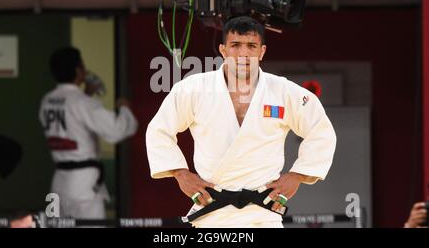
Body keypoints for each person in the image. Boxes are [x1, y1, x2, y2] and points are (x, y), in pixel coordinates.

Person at [146, 16, 337, 228]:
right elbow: (159, 130)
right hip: (212, 212)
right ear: (223, 50)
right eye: (235, 45)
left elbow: (321, 132)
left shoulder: (284, 92)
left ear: (262, 51)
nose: (243, 53)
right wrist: (180, 174)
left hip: (263, 214)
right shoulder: (193, 89)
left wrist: (298, 175)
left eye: (251, 46)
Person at [39, 47, 138, 219]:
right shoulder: (82, 103)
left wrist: (87, 94)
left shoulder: (47, 100)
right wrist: (124, 108)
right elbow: (117, 130)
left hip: (59, 183)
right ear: (78, 70)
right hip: (83, 184)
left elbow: (70, 121)